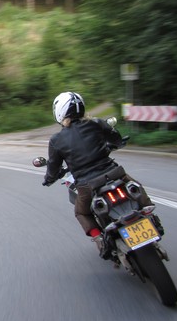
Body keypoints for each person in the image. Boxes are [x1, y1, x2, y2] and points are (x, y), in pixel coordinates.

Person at [42, 91, 153, 256]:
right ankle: (148, 213)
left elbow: (53, 166)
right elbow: (116, 139)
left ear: (59, 112)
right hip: (114, 173)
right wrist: (113, 144)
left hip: (88, 185)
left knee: (81, 212)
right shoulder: (96, 123)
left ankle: (99, 238)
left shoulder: (56, 140)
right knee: (135, 187)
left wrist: (49, 179)